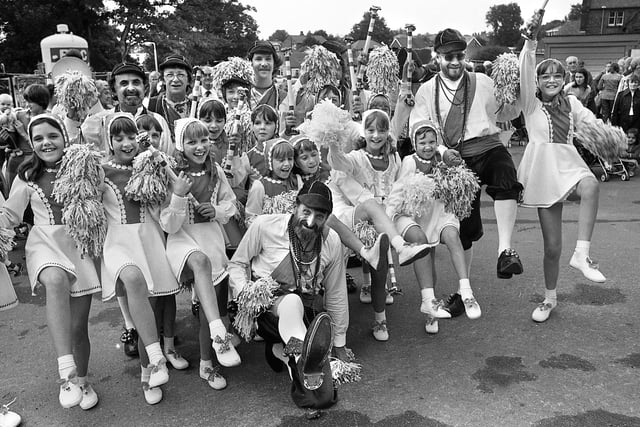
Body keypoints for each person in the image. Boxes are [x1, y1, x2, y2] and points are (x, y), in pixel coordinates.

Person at [409, 28, 524, 307]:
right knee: (465, 229)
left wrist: (516, 92)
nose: (455, 62)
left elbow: (508, 112)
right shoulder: (427, 90)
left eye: (460, 55)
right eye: (449, 56)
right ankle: (464, 292)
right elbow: (418, 127)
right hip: (455, 160)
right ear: (437, 58)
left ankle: (506, 251)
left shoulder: (482, 81)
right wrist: (441, 151)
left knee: (505, 174)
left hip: (488, 147)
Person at [0, 114, 101, 409]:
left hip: (79, 248)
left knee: (78, 327)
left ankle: (83, 380)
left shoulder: (83, 167)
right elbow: (10, 215)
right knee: (55, 280)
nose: (47, 142)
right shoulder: (27, 175)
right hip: (44, 243)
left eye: (52, 135)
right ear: (31, 144)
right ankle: (66, 373)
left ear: (65, 137)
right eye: (39, 138)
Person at [228, 180, 349, 409]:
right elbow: (237, 264)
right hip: (267, 313)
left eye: (320, 217)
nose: (311, 221)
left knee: (322, 398)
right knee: (292, 301)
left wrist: (339, 344)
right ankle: (302, 355)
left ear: (327, 218)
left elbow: (336, 294)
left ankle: (282, 352)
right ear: (295, 206)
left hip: (308, 314)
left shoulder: (332, 241)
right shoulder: (265, 225)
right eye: (306, 212)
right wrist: (247, 293)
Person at [518, 24, 607, 323]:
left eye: (558, 75)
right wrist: (530, 43)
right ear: (538, 81)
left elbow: (593, 125)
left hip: (568, 166)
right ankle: (549, 298)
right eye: (546, 76)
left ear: (564, 80)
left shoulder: (572, 103)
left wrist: (613, 138)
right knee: (552, 247)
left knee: (592, 185)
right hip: (543, 173)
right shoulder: (529, 103)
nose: (552, 80)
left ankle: (582, 253)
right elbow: (523, 71)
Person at [327, 109, 431, 341]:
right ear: (363, 132)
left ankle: (402, 312)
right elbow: (337, 163)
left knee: (396, 254)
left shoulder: (393, 158)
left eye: (382, 130)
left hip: (386, 216)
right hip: (359, 214)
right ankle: (401, 250)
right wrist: (333, 143)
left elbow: (397, 188)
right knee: (374, 216)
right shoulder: (356, 157)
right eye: (371, 130)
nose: (376, 135)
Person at [100, 113, 177, 404]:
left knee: (151, 307)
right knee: (132, 278)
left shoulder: (149, 164)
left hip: (150, 240)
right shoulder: (102, 169)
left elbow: (174, 189)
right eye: (118, 138)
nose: (126, 143)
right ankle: (157, 357)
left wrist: (156, 157)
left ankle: (148, 372)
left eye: (131, 136)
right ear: (109, 140)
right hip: (119, 242)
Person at [160, 118, 242, 390]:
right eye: (191, 141)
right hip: (182, 240)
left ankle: (208, 363)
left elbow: (230, 205)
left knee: (215, 308)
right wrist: (179, 196)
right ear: (180, 145)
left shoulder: (216, 171)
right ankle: (218, 337)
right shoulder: (171, 175)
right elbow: (168, 224)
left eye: (203, 140)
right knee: (198, 261)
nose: (199, 147)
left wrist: (215, 211)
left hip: (212, 241)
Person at [386, 120, 482, 334]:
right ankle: (430, 308)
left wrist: (445, 152)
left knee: (453, 237)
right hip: (415, 215)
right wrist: (387, 217)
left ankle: (466, 291)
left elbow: (458, 168)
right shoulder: (410, 161)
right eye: (422, 142)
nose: (427, 146)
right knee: (426, 256)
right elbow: (398, 190)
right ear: (414, 143)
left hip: (440, 214)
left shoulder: (442, 158)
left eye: (432, 141)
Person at [108, 62, 173, 154]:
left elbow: (168, 158)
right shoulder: (105, 122)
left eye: (136, 82)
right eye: (124, 83)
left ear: (145, 88)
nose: (131, 88)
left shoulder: (158, 120)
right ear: (114, 90)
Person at [149, 54, 194, 138]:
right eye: (170, 75)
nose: (175, 79)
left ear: (188, 80)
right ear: (163, 80)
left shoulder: (196, 106)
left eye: (181, 75)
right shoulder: (151, 105)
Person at [247, 41, 285, 111]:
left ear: (274, 63)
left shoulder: (284, 98)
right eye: (258, 59)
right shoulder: (243, 96)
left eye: (268, 59)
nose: (264, 64)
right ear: (251, 63)